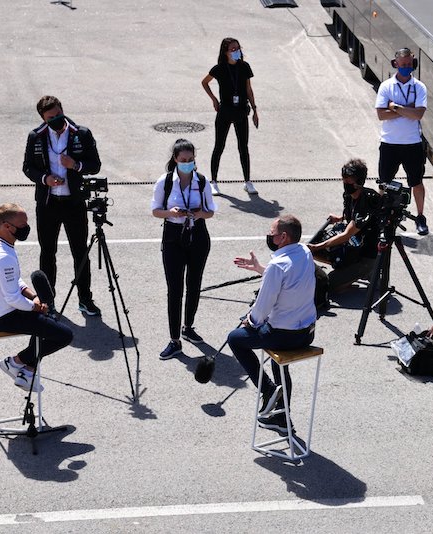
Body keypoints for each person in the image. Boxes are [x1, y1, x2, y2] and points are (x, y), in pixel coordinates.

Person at [227, 215, 316, 434]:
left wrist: (249, 321)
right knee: (279, 362)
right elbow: (288, 280)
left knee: (235, 339)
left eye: (272, 233)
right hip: (307, 332)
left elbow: (262, 309)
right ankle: (282, 417)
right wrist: (261, 269)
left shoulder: (277, 265)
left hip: (284, 335)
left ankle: (268, 390)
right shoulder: (304, 252)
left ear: (283, 237)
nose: (269, 235)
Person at [0, 203, 73, 392]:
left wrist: (33, 295)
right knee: (64, 335)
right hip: (3, 316)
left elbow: (14, 281)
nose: (26, 228)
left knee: (44, 324)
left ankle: (27, 372)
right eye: (22, 225)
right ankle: (15, 362)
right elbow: (13, 298)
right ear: (6, 226)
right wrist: (35, 307)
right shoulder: (4, 257)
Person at [22, 95, 102, 316]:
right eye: (51, 117)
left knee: (80, 252)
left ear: (62, 110)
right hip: (48, 204)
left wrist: (76, 165)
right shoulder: (36, 137)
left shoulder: (81, 134)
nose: (56, 119)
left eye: (58, 114)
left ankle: (85, 299)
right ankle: (49, 301)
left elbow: (95, 165)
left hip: (74, 203)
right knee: (48, 253)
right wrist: (44, 179)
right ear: (43, 118)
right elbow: (28, 168)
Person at [151, 139, 217, 360]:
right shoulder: (165, 181)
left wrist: (197, 213)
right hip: (173, 236)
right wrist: (172, 212)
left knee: (194, 283)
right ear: (175, 160)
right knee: (175, 289)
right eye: (183, 160)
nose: (187, 163)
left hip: (197, 234)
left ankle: (188, 326)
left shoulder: (201, 181)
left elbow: (210, 211)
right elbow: (155, 210)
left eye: (191, 160)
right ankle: (174, 339)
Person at [375, 48, 429, 235]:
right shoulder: (386, 86)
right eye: (402, 64)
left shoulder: (419, 87)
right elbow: (381, 114)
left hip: (412, 143)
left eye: (409, 64)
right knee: (384, 182)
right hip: (389, 143)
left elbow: (419, 114)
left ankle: (420, 217)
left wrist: (395, 107)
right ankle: (380, 215)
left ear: (412, 64)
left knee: (416, 182)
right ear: (395, 63)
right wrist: (408, 109)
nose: (406, 67)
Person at [307, 158, 380, 293]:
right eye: (344, 179)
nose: (345, 183)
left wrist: (317, 246)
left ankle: (366, 271)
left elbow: (347, 234)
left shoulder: (369, 200)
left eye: (348, 181)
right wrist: (340, 218)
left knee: (328, 286)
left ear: (359, 181)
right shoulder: (349, 195)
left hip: (365, 255)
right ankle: (347, 271)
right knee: (317, 248)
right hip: (353, 248)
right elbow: (352, 216)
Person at [201, 37, 259, 196]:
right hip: (225, 111)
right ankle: (213, 182)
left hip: (241, 111)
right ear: (225, 52)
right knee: (219, 146)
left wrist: (255, 109)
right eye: (233, 49)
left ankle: (248, 182)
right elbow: (204, 82)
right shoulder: (219, 68)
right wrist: (214, 99)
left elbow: (249, 89)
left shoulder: (244, 67)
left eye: (238, 48)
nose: (236, 52)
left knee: (243, 147)